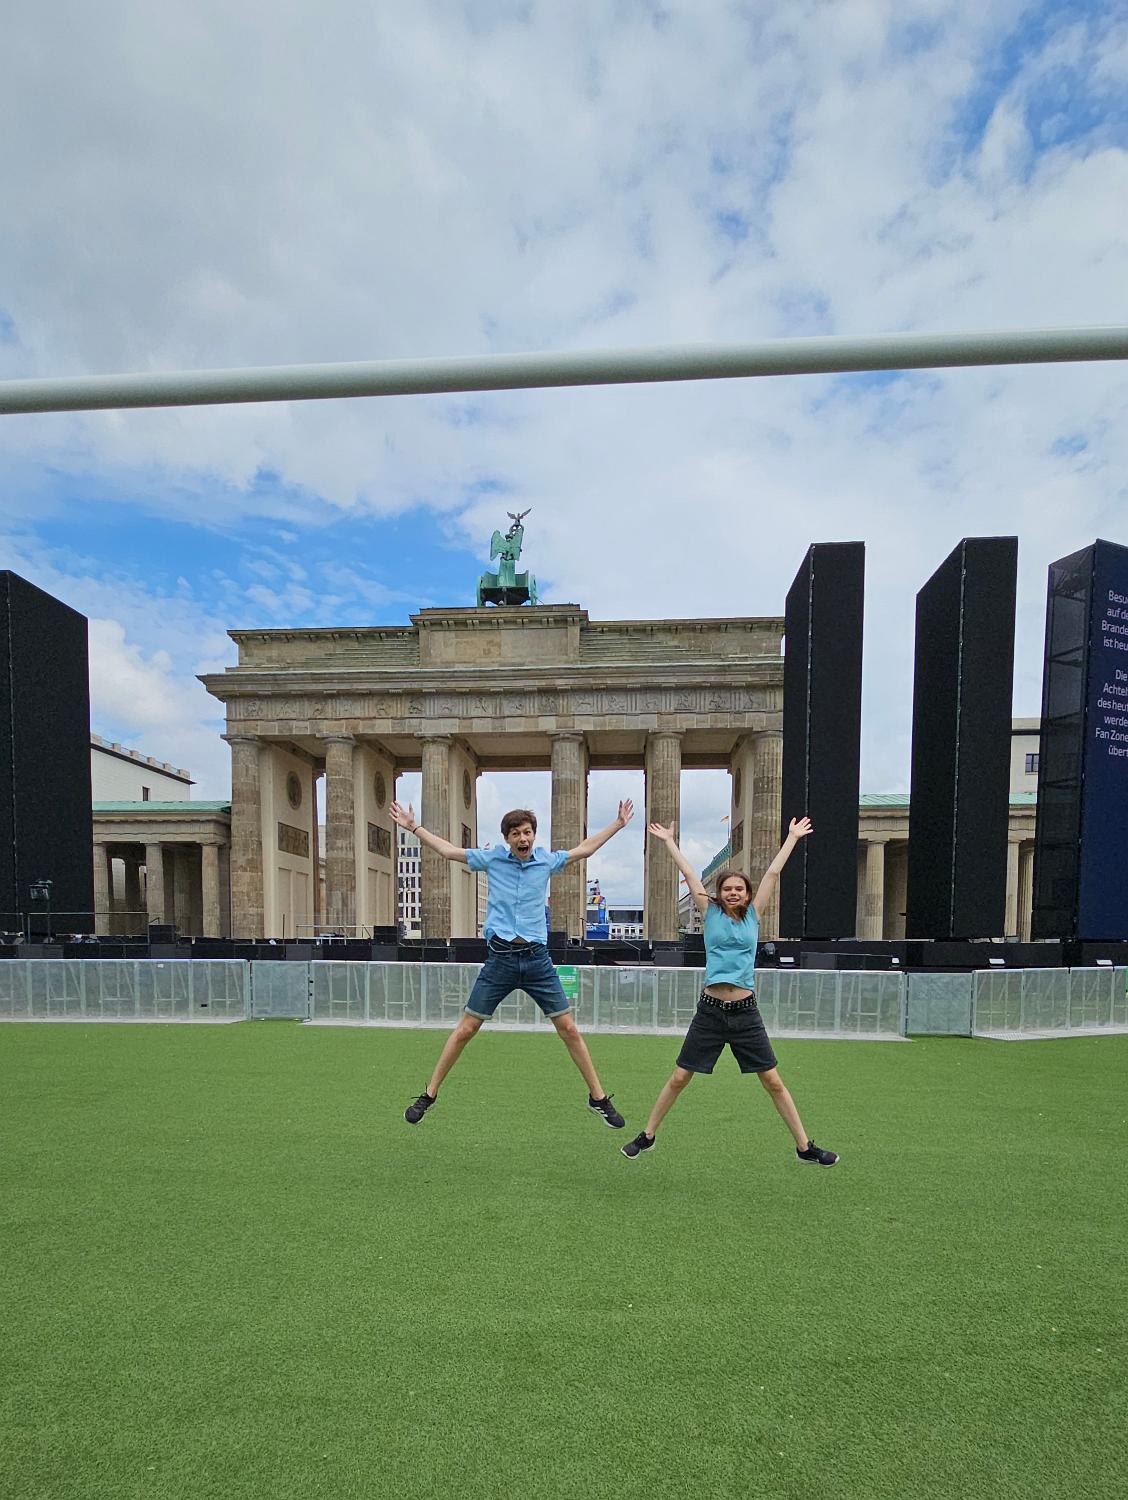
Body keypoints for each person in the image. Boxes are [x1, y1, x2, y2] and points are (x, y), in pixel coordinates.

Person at [390, 798, 635, 1129]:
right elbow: (448, 852)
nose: (523, 838)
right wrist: (413, 827)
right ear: (507, 838)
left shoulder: (546, 861)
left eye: (528, 832)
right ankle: (429, 1095)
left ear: (534, 835)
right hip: (500, 960)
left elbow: (584, 849)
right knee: (466, 1029)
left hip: (537, 961)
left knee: (569, 1029)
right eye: (517, 833)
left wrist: (618, 824)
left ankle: (598, 1098)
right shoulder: (492, 859)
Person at [620, 817, 838, 1166]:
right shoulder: (710, 914)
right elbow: (690, 874)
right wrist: (669, 841)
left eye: (739, 889)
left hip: (745, 1013)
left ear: (747, 894)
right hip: (710, 1011)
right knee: (679, 1077)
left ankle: (804, 1147)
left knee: (773, 1081)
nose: (733, 893)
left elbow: (772, 874)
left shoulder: (753, 915)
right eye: (727, 889)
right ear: (719, 893)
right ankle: (647, 1136)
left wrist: (792, 838)